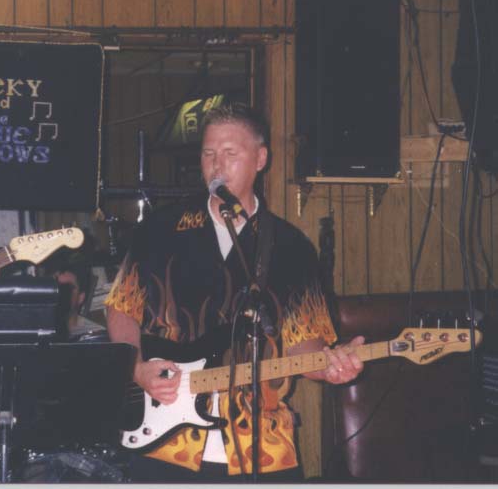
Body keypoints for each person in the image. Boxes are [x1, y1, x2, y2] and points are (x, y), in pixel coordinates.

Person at [105, 102, 364, 482]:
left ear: (261, 159)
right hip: (165, 442)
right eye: (208, 153)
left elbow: (303, 345)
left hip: (261, 444)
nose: (217, 165)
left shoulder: (292, 247)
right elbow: (121, 307)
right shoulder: (159, 229)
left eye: (230, 153)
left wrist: (331, 368)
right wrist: (136, 368)